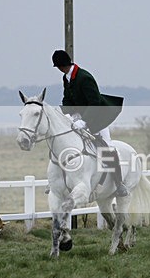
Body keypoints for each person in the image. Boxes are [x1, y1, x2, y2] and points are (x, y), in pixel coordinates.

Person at [52, 49, 129, 197]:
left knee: (107, 147)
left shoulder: (84, 77)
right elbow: (67, 98)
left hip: (98, 117)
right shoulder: (66, 78)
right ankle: (57, 182)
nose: (60, 70)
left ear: (63, 65)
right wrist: (67, 114)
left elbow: (95, 102)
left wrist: (84, 121)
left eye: (60, 66)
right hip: (79, 116)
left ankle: (119, 184)